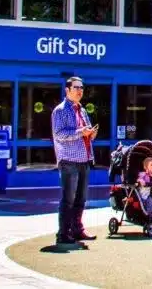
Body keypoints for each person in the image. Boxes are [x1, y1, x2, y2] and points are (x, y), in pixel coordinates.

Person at [51, 76, 98, 246]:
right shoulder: (60, 110)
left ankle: (77, 230)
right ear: (67, 90)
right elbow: (59, 134)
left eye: (82, 88)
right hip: (69, 160)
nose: (80, 91)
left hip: (84, 159)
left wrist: (91, 134)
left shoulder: (82, 110)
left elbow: (86, 132)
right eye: (76, 87)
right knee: (68, 199)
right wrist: (80, 132)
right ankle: (63, 233)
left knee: (81, 199)